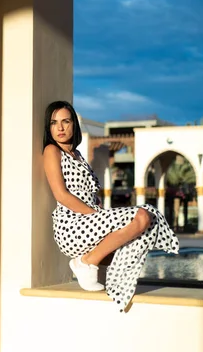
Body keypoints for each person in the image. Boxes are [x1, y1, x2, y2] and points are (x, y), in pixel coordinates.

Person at [42, 100, 179, 312]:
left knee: (144, 224)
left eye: (65, 121)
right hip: (71, 225)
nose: (59, 128)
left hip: (89, 220)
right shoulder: (52, 151)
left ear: (74, 125)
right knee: (142, 216)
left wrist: (98, 212)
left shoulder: (78, 156)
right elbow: (61, 194)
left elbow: (89, 194)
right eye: (54, 122)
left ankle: (98, 268)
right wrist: (94, 215)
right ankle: (86, 262)